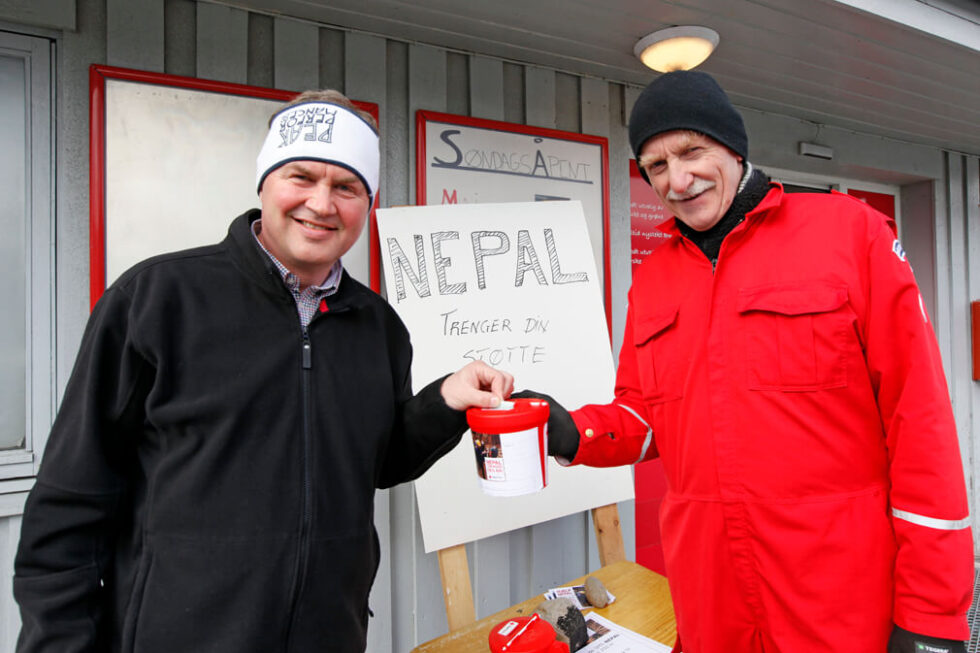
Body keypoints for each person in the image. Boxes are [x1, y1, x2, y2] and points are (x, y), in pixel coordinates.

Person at [13, 89, 514, 653]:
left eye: (347, 187)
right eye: (301, 176)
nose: (322, 204)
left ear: (367, 203)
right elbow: (70, 501)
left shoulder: (379, 328)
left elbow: (369, 460)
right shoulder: (156, 301)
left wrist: (444, 401)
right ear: (265, 182)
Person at [521, 71, 973, 653]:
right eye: (655, 167)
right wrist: (570, 429)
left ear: (734, 148)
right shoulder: (654, 281)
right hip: (712, 603)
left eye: (691, 151)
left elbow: (921, 425)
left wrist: (932, 615)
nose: (677, 180)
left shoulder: (849, 233)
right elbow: (648, 417)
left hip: (839, 602)